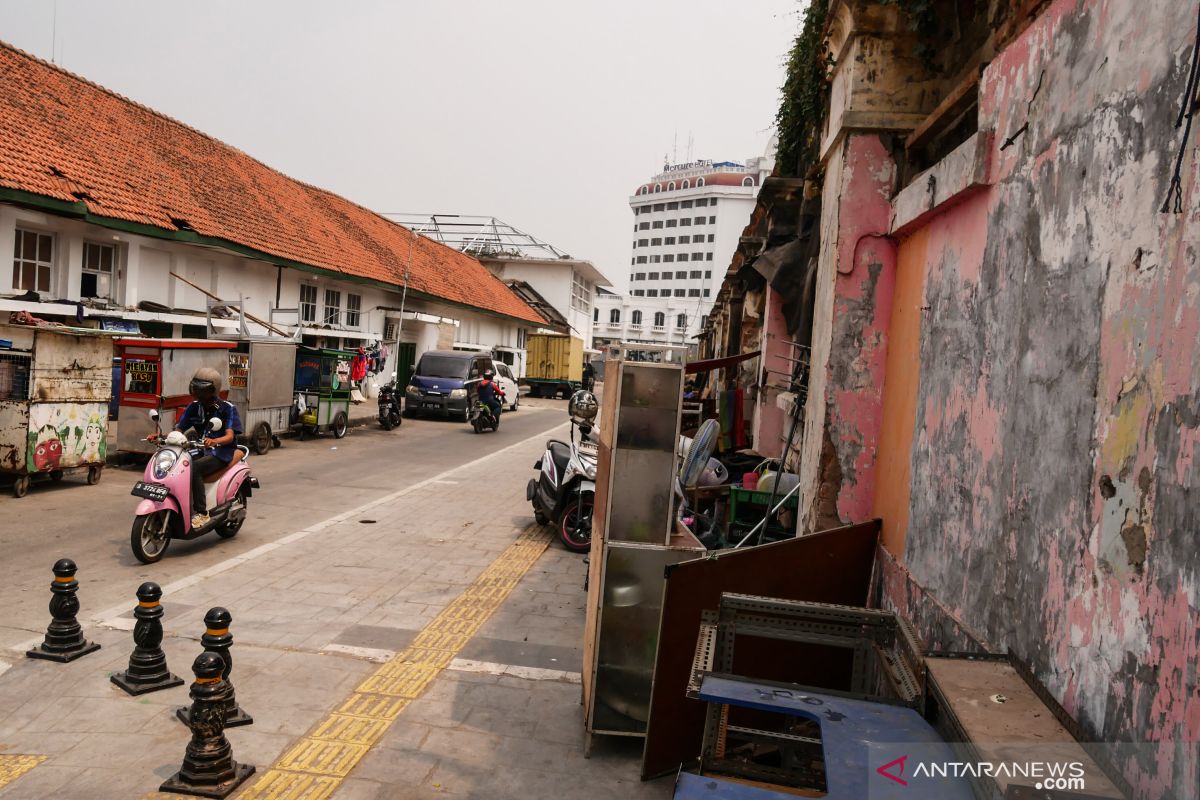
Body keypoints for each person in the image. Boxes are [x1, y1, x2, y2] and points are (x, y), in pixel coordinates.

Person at [174, 367, 242, 529]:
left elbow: (230, 436)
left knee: (195, 468)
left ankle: (201, 512)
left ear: (213, 389)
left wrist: (215, 441)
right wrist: (169, 438)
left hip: (221, 452)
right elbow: (179, 429)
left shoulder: (227, 408)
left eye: (202, 389)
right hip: (200, 448)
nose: (198, 393)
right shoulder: (193, 406)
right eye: (196, 388)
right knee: (176, 464)